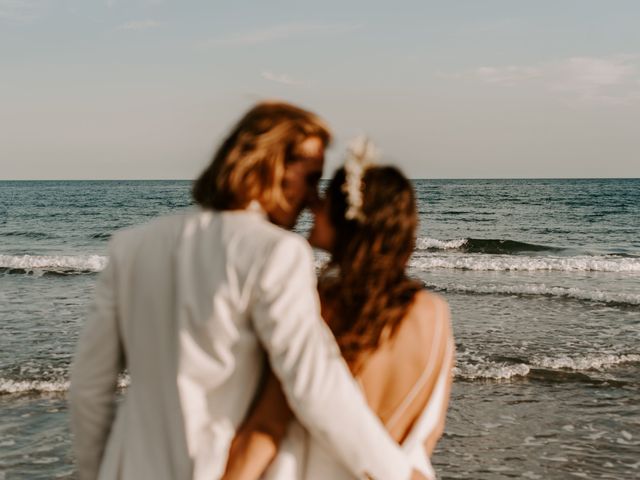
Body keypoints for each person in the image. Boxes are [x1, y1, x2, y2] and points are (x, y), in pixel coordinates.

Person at [69, 103, 427, 480]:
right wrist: (396, 473)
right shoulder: (277, 252)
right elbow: (314, 383)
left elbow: (89, 389)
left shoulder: (131, 247)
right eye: (310, 178)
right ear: (271, 165)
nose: (312, 198)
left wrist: (99, 471)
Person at [222, 138, 455, 480]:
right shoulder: (434, 313)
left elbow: (267, 425)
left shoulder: (317, 306)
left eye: (324, 199)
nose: (313, 206)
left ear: (348, 219)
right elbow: (428, 432)